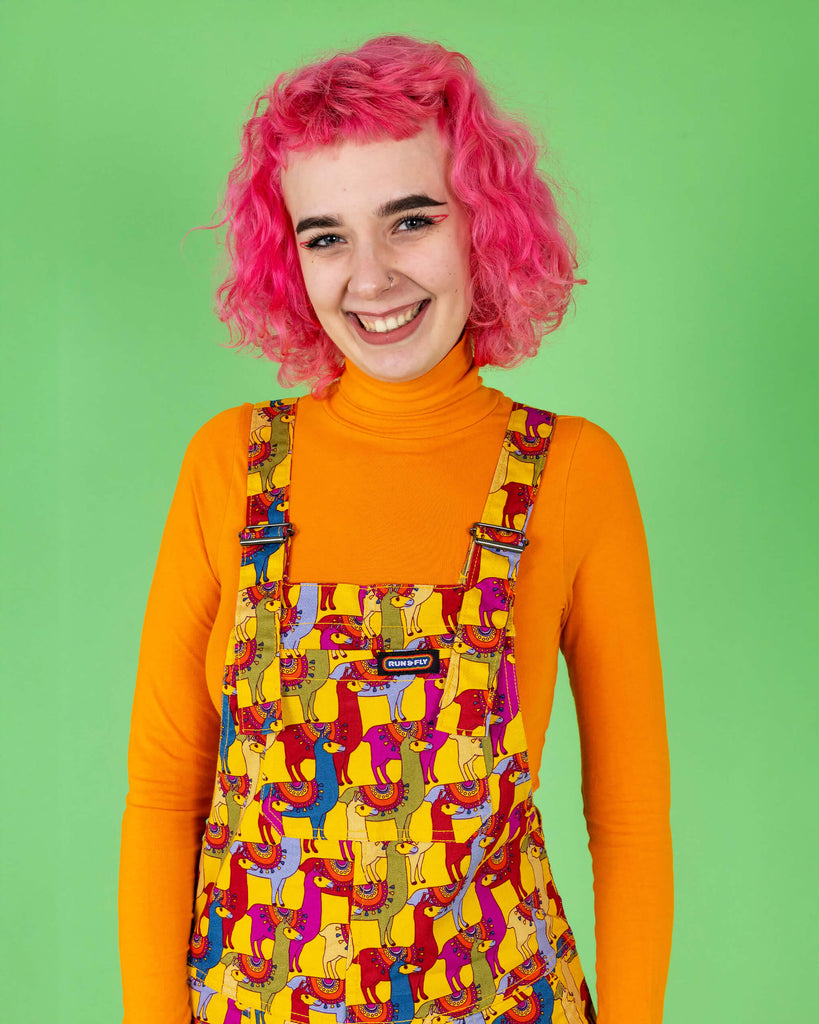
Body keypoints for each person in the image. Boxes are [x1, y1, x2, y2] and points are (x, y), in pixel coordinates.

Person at [119, 35, 673, 1024]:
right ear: (287, 256)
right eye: (325, 235)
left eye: (410, 219)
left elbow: (628, 823)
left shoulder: (575, 474)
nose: (369, 277)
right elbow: (167, 792)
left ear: (483, 227)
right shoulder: (228, 467)